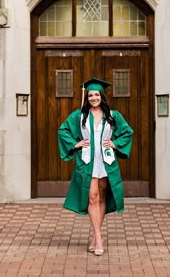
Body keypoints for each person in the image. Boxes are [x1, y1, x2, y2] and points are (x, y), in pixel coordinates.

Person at [58, 78, 133, 256]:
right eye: (90, 95)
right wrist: (75, 144)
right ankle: (99, 237)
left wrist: (115, 144)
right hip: (87, 162)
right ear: (87, 97)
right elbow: (63, 130)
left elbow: (128, 132)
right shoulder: (79, 116)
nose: (93, 98)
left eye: (96, 95)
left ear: (102, 96)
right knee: (92, 196)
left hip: (106, 162)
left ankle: (95, 235)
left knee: (101, 198)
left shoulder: (113, 116)